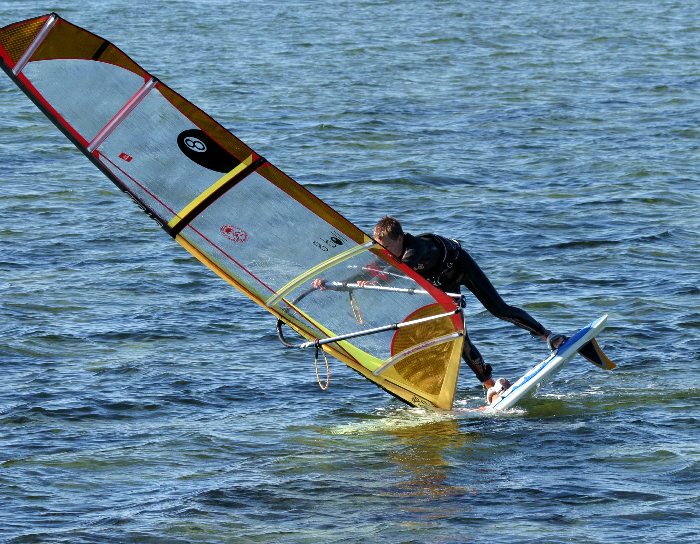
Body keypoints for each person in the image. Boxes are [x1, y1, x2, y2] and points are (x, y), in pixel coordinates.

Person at [368, 216, 565, 404]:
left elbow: (399, 271)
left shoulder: (417, 248)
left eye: (386, 247)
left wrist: (375, 281)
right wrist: (348, 281)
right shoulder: (393, 251)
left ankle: (549, 336)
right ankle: (490, 386)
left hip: (461, 267)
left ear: (400, 238)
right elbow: (373, 266)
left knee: (499, 309)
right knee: (459, 337)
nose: (384, 252)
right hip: (443, 283)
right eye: (381, 247)